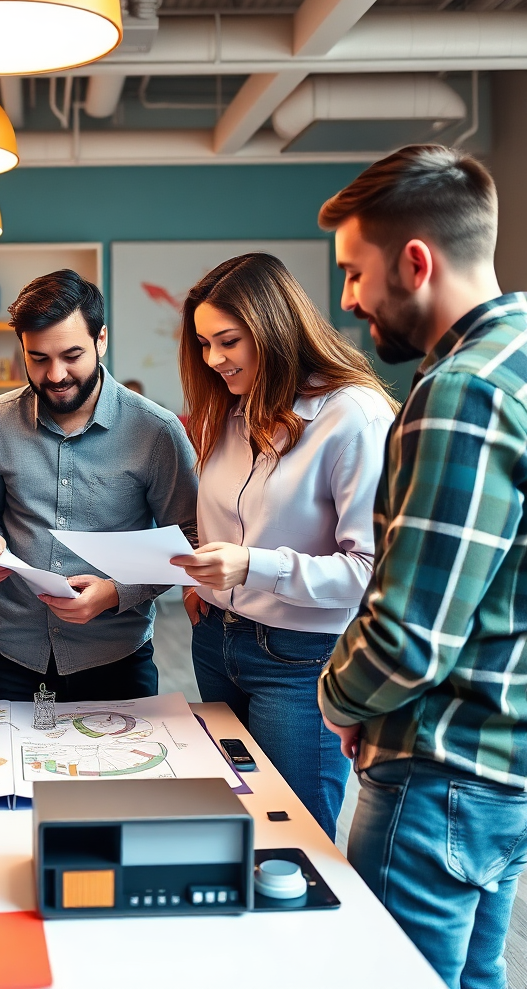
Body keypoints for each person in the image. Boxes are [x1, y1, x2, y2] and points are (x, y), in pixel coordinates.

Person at [317, 145, 527, 989]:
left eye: (354, 272)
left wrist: (336, 697)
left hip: (438, 774)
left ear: (415, 261)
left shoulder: (462, 393)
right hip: (504, 768)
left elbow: (407, 638)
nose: (347, 298)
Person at [173, 252, 397, 839]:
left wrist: (252, 566)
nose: (213, 359)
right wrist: (204, 586)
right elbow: (225, 520)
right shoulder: (229, 408)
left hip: (300, 660)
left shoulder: (353, 416)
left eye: (228, 341)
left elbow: (372, 572)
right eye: (204, 344)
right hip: (215, 641)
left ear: (275, 328)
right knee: (237, 821)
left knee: (296, 837)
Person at [0, 269, 198, 701]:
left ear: (101, 339)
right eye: (38, 358)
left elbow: (191, 537)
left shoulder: (156, 431)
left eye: (72, 355)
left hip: (116, 658)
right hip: (13, 653)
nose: (55, 375)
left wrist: (116, 594)